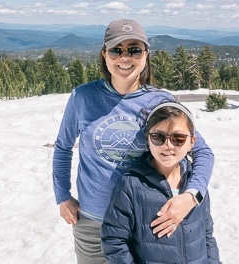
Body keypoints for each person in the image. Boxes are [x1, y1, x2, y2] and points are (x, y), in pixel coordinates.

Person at [52, 18, 214, 264]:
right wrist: (62, 196)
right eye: (116, 50)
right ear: (104, 55)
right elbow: (63, 147)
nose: (124, 57)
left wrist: (191, 196)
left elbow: (200, 151)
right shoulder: (83, 97)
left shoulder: (159, 101)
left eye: (134, 50)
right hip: (93, 221)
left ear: (146, 55)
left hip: (144, 221)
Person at [101, 101, 221, 264]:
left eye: (178, 138)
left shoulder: (195, 183)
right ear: (147, 139)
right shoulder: (131, 185)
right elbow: (114, 241)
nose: (167, 145)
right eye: (158, 137)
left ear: (192, 142)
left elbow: (207, 235)